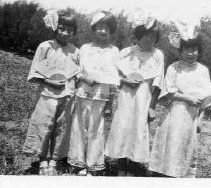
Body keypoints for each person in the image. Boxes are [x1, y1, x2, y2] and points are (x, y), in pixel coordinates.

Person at [105, 10, 165, 176]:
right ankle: (121, 168)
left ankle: (132, 168)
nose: (149, 39)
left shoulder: (158, 55)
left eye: (153, 36)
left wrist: (152, 107)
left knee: (138, 130)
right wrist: (125, 80)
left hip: (144, 99)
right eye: (145, 35)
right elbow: (113, 76)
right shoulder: (126, 52)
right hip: (126, 97)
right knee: (123, 128)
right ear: (138, 35)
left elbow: (159, 83)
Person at [149, 21, 211, 178]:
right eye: (187, 50)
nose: (191, 53)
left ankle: (182, 173)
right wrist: (186, 98)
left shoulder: (203, 70)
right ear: (181, 51)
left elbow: (205, 100)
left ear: (199, 51)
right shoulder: (174, 68)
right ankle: (165, 172)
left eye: (194, 50)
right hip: (175, 113)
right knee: (171, 141)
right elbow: (169, 92)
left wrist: (200, 120)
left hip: (192, 115)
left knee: (187, 144)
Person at [22, 10, 80, 175]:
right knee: (43, 125)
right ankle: (42, 159)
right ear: (55, 28)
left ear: (74, 32)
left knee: (61, 128)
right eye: (61, 28)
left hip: (68, 94)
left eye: (69, 30)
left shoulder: (75, 51)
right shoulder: (45, 46)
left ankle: (54, 159)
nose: (65, 33)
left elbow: (77, 74)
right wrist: (49, 81)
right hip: (47, 94)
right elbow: (35, 72)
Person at [67, 11, 120, 176]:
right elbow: (75, 70)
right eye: (99, 27)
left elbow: (114, 78)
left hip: (101, 96)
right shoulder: (84, 48)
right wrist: (84, 77)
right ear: (94, 29)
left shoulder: (114, 51)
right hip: (83, 93)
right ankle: (78, 162)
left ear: (111, 30)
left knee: (96, 129)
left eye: (106, 28)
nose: (102, 31)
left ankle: (93, 163)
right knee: (79, 127)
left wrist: (111, 101)